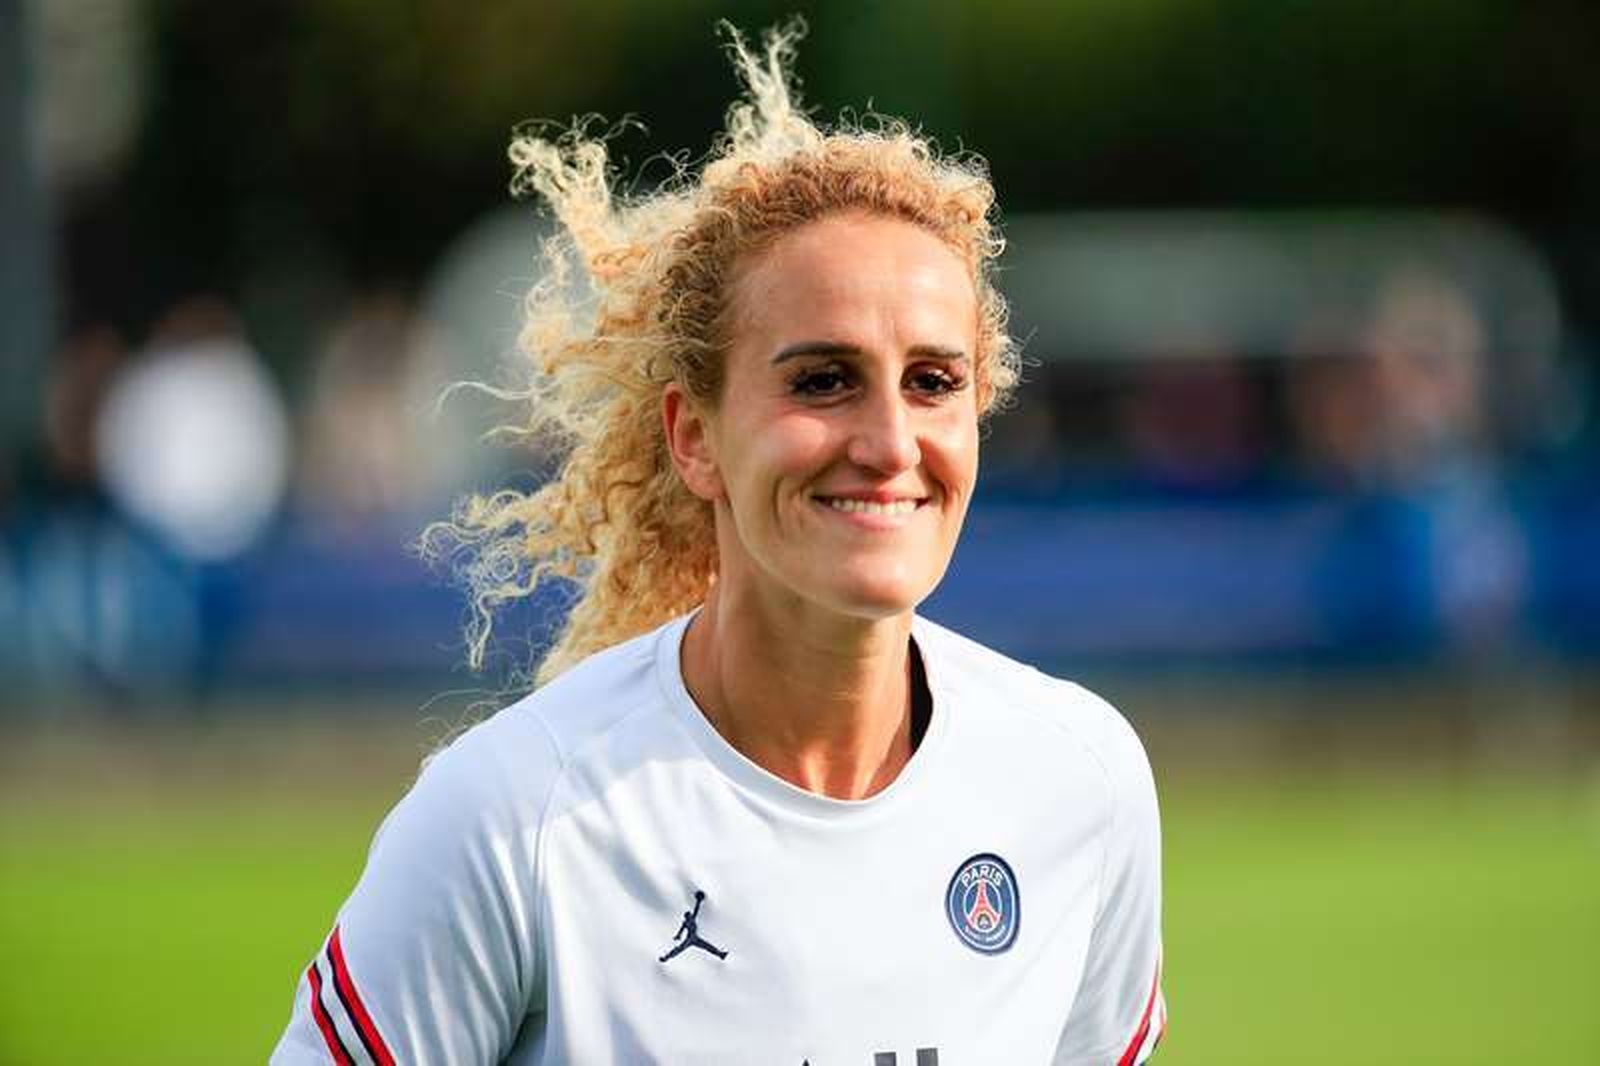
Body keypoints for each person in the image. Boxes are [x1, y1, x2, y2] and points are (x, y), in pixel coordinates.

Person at [272, 22, 1165, 1066]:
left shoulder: (1077, 780)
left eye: (932, 382)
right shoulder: (513, 817)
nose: (888, 444)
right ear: (694, 436)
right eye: (820, 380)